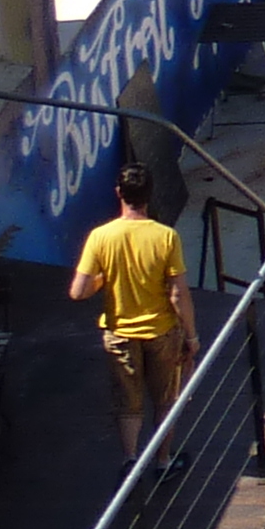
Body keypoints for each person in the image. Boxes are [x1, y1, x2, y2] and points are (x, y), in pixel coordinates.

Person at [72, 160, 196, 456]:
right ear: (149, 195)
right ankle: (164, 460)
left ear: (119, 193)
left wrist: (104, 278)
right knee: (166, 400)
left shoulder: (101, 237)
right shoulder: (166, 236)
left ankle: (130, 461)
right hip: (162, 331)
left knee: (129, 404)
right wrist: (191, 336)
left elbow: (78, 291)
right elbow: (178, 294)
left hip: (120, 333)